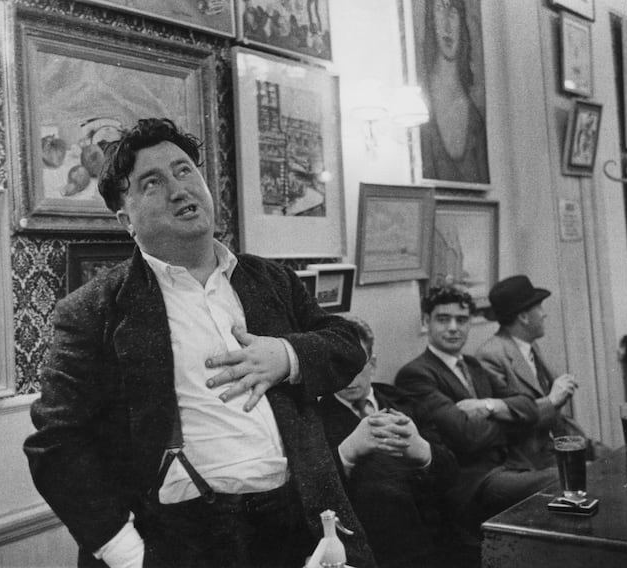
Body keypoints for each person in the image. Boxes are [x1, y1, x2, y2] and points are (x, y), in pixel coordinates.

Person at [23, 118, 375, 568]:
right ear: (125, 219)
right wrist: (129, 556)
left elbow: (346, 344)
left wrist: (285, 356)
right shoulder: (92, 311)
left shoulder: (270, 280)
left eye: (185, 170)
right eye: (153, 183)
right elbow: (55, 445)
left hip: (297, 522)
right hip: (182, 538)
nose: (178, 189)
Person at [395, 286, 555, 533]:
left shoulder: (472, 364)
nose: (453, 328)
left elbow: (529, 407)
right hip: (470, 484)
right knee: (561, 480)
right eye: (443, 319)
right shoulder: (416, 375)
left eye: (461, 320)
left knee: (580, 469)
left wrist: (488, 405)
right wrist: (509, 421)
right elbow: (465, 436)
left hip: (510, 466)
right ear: (426, 322)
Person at [318, 316, 460, 568]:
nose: (348, 377)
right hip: (377, 546)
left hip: (435, 535)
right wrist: (347, 452)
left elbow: (451, 474)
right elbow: (315, 492)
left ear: (372, 363)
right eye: (338, 365)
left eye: (356, 365)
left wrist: (423, 451)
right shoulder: (316, 419)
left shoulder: (405, 401)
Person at [476, 275, 597, 471]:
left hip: (561, 445)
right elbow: (511, 423)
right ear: (523, 317)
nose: (544, 314)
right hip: (529, 462)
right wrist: (553, 400)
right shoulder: (491, 356)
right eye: (539, 307)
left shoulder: (530, 347)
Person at [419, 0, 489, 184]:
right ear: (431, 20)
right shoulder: (420, 110)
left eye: (453, 12)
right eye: (440, 9)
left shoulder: (475, 121)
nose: (447, 25)